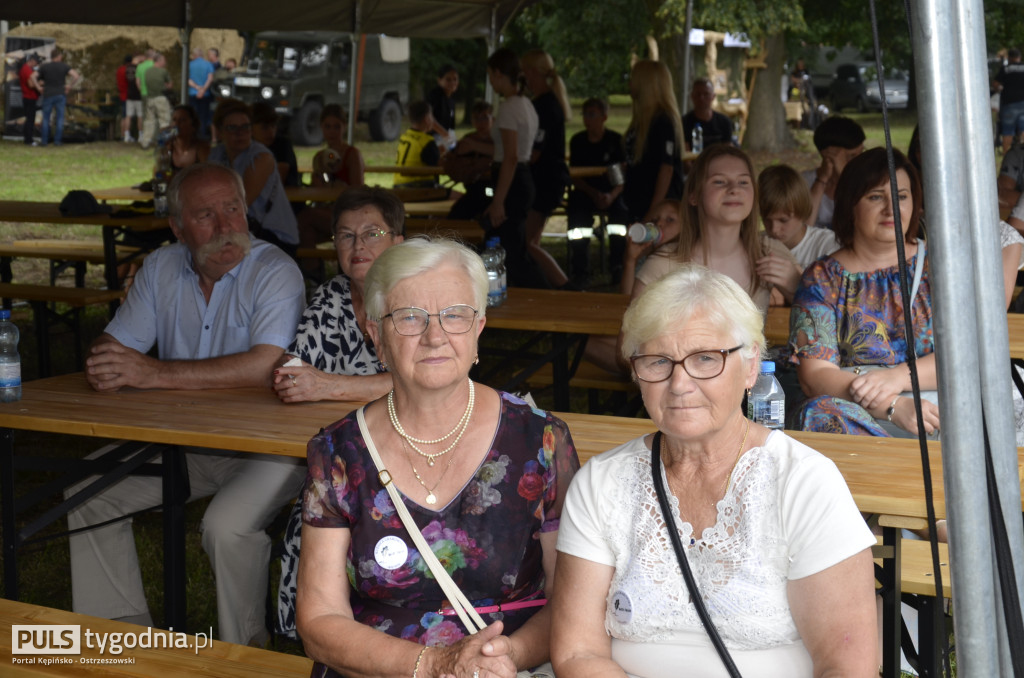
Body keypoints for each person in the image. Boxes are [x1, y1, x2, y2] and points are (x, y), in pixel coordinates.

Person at [551, 264, 877, 677]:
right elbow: (578, 653)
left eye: (706, 359)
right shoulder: (601, 484)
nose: (680, 383)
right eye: (657, 361)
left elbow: (847, 667)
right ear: (636, 372)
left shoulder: (805, 483)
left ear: (751, 366)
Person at [295, 236, 580, 678]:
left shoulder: (541, 440)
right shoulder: (337, 453)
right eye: (409, 317)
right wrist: (434, 666)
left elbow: (572, 599)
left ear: (479, 327)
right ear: (376, 334)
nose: (435, 336)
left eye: (455, 316)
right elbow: (318, 621)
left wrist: (501, 660)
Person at [66, 163, 306, 646]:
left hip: (268, 449)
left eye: (233, 209)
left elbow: (266, 366)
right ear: (177, 227)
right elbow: (113, 354)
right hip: (184, 445)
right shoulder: (160, 267)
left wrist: (151, 373)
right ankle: (122, 639)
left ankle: (245, 655)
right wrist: (109, 365)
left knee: (226, 526)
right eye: (205, 215)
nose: (224, 227)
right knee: (90, 491)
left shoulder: (275, 270)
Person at [271, 187, 405, 637]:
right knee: (306, 520)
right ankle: (325, 635)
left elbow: (425, 380)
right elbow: (291, 370)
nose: (358, 245)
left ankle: (390, 632)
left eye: (371, 233)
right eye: (345, 236)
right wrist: (296, 376)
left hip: (410, 454)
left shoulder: (413, 298)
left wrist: (327, 385)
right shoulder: (330, 299)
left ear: (398, 242)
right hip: (343, 458)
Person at [789, 148, 940, 438]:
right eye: (875, 196)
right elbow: (815, 375)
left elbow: (968, 356)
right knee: (818, 415)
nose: (891, 208)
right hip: (857, 413)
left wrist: (896, 377)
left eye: (901, 196)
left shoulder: (940, 268)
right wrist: (893, 405)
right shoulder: (822, 279)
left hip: (936, 411)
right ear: (850, 205)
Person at [635, 146, 801, 313]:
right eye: (719, 181)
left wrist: (796, 286)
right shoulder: (663, 264)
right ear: (694, 196)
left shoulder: (770, 252)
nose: (734, 189)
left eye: (743, 182)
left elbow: (820, 323)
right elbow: (631, 338)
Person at [484, 48, 546, 289]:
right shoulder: (526, 104)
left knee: (513, 250)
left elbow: (510, 157)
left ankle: (543, 297)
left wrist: (498, 200)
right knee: (514, 245)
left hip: (513, 180)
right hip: (520, 178)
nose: (490, 80)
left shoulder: (510, 107)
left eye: (490, 74)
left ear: (499, 74)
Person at [209, 99, 299, 254]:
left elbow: (240, 204)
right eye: (232, 128)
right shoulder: (217, 154)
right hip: (242, 232)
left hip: (273, 235)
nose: (240, 133)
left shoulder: (261, 157)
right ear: (219, 131)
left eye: (245, 127)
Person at [522, 48, 573, 289]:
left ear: (532, 72)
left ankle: (565, 288)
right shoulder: (546, 102)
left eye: (525, 73)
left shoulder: (545, 106)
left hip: (545, 182)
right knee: (531, 243)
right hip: (547, 180)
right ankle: (549, 288)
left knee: (528, 243)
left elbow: (534, 153)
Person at [297, 103, 366, 277]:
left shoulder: (352, 154)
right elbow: (317, 192)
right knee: (306, 230)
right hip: (327, 211)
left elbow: (358, 191)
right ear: (321, 128)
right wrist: (317, 185)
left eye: (336, 126)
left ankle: (330, 277)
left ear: (344, 127)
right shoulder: (319, 157)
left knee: (304, 218)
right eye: (327, 127)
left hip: (350, 214)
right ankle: (316, 279)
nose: (332, 131)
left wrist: (336, 188)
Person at [567, 97, 629, 287]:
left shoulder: (616, 141)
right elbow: (574, 176)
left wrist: (611, 195)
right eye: (585, 114)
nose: (587, 118)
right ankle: (580, 270)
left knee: (620, 218)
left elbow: (622, 175)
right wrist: (593, 193)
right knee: (578, 220)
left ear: (604, 117)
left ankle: (618, 266)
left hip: (611, 194)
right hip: (585, 192)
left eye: (592, 114)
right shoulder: (577, 141)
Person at [622, 60, 684, 224]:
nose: (630, 83)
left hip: (655, 207)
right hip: (637, 202)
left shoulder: (663, 121)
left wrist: (653, 212)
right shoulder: (641, 121)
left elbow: (666, 168)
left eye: (634, 78)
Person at [759, 164, 840, 269]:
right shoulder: (757, 244)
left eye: (783, 220)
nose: (774, 229)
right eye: (766, 220)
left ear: (802, 211)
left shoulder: (828, 245)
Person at [802, 116, 865, 229]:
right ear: (827, 155)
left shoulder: (867, 182)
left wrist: (844, 177)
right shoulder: (804, 182)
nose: (859, 161)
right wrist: (822, 180)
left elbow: (862, 224)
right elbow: (804, 229)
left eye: (861, 153)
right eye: (851, 156)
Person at [446, 101, 495, 220]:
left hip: (492, 191)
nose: (480, 122)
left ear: (492, 119)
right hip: (473, 188)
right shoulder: (467, 140)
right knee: (456, 217)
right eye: (476, 118)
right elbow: (454, 165)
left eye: (484, 118)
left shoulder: (498, 140)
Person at [37, 47, 82, 147]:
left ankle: (44, 141)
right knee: (60, 118)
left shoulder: (45, 67)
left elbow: (32, 76)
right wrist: (69, 86)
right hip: (60, 94)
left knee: (46, 119)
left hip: (48, 94)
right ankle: (57, 141)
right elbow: (76, 76)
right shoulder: (64, 66)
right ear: (58, 57)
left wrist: (39, 87)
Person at [393, 100, 442, 188]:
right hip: (419, 188)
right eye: (431, 116)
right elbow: (439, 166)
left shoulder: (405, 136)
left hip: (398, 186)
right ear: (427, 119)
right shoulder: (426, 141)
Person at [251, 101, 299, 190]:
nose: (271, 132)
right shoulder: (247, 147)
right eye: (264, 128)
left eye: (273, 126)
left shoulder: (282, 144)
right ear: (250, 128)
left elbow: (278, 179)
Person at [682, 77, 735, 151]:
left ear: (713, 96)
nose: (701, 98)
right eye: (698, 94)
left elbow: (727, 149)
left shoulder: (724, 122)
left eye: (706, 94)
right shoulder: (684, 122)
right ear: (692, 96)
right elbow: (685, 150)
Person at [994, 48, 1024, 153]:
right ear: (1019, 57)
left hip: (1009, 104)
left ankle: (1006, 157)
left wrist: (1000, 89)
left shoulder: (1005, 69)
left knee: (1008, 132)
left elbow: (996, 84)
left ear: (1010, 58)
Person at [140, 52, 172, 149]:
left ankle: (145, 142)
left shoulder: (147, 72)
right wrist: (166, 86)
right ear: (159, 61)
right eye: (164, 61)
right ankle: (164, 142)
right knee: (164, 121)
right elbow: (170, 85)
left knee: (149, 121)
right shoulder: (163, 71)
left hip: (150, 98)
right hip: (161, 98)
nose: (165, 63)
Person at [166, 105, 211, 169]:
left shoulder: (201, 148)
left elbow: (207, 173)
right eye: (174, 120)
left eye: (182, 120)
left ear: (193, 125)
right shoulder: (168, 148)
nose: (176, 124)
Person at [426, 63, 459, 144]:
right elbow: (428, 118)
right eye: (448, 79)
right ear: (439, 80)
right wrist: (446, 135)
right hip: (430, 139)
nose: (452, 83)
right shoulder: (435, 95)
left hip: (443, 138)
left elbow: (451, 127)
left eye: (455, 79)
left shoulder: (451, 100)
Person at [188, 47, 215, 139]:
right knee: (203, 117)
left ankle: (192, 136)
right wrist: (203, 89)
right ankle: (202, 136)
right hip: (205, 95)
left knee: (192, 116)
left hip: (192, 93)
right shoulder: (208, 64)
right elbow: (210, 78)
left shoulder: (189, 65)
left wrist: (196, 87)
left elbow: (188, 79)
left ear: (194, 55)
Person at [18, 53, 41, 145]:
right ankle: (29, 140)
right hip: (29, 97)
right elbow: (30, 84)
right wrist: (40, 84)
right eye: (36, 62)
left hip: (28, 97)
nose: (36, 65)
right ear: (31, 61)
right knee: (30, 120)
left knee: (29, 119)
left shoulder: (26, 69)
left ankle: (27, 139)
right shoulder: (26, 69)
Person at [123, 53, 144, 143]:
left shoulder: (127, 68)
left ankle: (126, 135)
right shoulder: (139, 68)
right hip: (138, 96)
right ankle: (141, 135)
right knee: (140, 116)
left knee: (128, 116)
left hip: (129, 95)